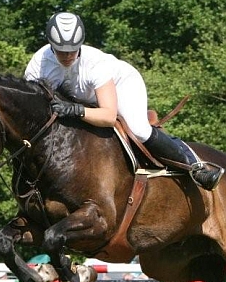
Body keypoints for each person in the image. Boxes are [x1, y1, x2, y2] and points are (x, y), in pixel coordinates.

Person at [25, 12, 224, 191]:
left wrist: (76, 109)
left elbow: (109, 116)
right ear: (51, 45)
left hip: (121, 87)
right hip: (82, 98)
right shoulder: (38, 65)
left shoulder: (95, 63)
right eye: (61, 50)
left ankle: (196, 166)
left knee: (139, 129)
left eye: (73, 50)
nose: (68, 55)